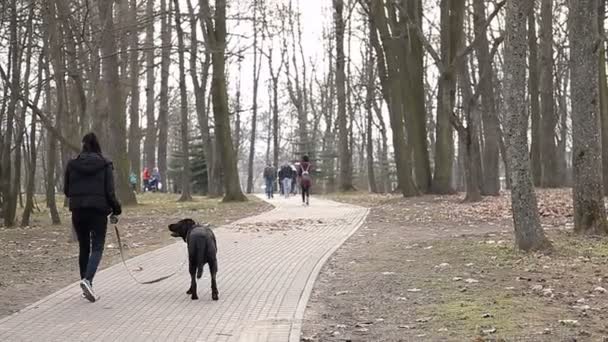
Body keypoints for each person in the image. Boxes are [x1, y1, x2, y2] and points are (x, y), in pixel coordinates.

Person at [64, 132, 122, 302]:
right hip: (98, 210)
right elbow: (110, 191)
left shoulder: (72, 165)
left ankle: (86, 284)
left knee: (84, 247)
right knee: (97, 247)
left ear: (83, 146)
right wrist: (116, 209)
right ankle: (87, 280)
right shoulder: (105, 164)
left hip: (78, 210)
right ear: (98, 146)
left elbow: (66, 190)